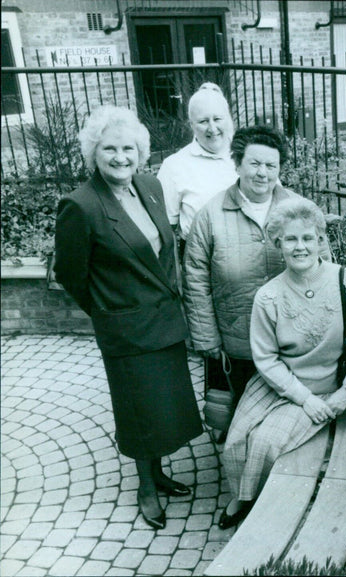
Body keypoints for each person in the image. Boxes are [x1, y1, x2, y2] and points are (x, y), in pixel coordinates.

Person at [54, 105, 203, 530]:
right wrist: (109, 311)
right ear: (93, 153)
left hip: (165, 323)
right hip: (127, 330)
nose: (121, 157)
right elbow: (70, 274)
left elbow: (164, 251)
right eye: (110, 149)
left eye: (129, 148)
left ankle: (158, 473)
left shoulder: (151, 186)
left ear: (141, 152)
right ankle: (145, 487)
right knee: (139, 410)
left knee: (163, 405)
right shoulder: (81, 206)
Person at [217, 197, 346, 529]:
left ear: (320, 240)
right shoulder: (268, 296)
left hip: (325, 389)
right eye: (291, 239)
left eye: (308, 238)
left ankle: (255, 504)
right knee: (234, 440)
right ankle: (241, 494)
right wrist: (300, 397)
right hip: (279, 383)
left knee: (265, 441)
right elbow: (266, 358)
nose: (300, 247)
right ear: (278, 243)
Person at [182, 125, 331, 425]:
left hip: (293, 334)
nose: (262, 173)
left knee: (290, 409)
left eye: (271, 165)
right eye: (254, 163)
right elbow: (195, 280)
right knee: (241, 411)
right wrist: (207, 337)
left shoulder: (300, 209)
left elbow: (324, 266)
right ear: (237, 164)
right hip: (238, 339)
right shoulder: (209, 216)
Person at [157, 82, 237, 252]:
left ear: (228, 118)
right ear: (191, 125)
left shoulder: (248, 155)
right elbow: (166, 230)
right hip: (200, 260)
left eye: (217, 119)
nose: (212, 128)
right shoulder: (174, 166)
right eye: (203, 121)